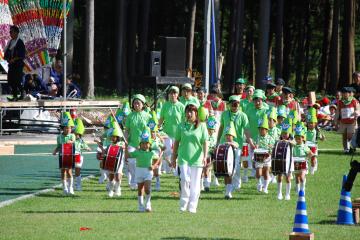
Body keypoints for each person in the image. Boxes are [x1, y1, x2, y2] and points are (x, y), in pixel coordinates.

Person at [171, 99, 208, 213]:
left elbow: (205, 142)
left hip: (197, 159)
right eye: (187, 111)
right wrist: (174, 157)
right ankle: (183, 205)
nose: (189, 113)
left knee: (195, 184)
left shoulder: (201, 126)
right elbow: (176, 142)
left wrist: (205, 156)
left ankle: (192, 207)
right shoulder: (181, 126)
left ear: (196, 113)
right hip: (183, 158)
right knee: (184, 180)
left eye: (191, 111)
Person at [217, 95, 253, 189]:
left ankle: (236, 183)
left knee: (236, 164)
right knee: (226, 164)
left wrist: (251, 142)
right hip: (224, 142)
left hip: (237, 144)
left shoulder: (243, 115)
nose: (235, 106)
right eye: (233, 104)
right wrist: (217, 141)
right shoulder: (224, 114)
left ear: (239, 104)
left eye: (236, 104)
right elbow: (221, 127)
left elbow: (246, 130)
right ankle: (228, 185)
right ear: (229, 105)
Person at [125, 94, 152, 189]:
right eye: (135, 103)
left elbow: (152, 130)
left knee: (141, 163)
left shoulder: (148, 116)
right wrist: (125, 140)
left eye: (138, 103)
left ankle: (143, 180)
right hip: (132, 143)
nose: (136, 105)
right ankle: (133, 180)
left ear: (143, 104)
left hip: (145, 145)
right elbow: (127, 130)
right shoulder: (129, 116)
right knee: (131, 162)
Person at [158, 86, 185, 174]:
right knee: (167, 151)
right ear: (168, 94)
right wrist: (157, 128)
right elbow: (161, 119)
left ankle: (175, 169)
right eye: (171, 93)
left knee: (176, 152)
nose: (173, 95)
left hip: (178, 133)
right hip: (167, 133)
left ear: (178, 95)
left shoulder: (181, 106)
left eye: (175, 93)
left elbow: (184, 120)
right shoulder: (165, 105)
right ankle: (167, 169)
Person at [100, 121, 126, 197]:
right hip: (111, 162)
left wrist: (124, 146)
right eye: (111, 136)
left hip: (119, 162)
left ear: (117, 137)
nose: (112, 138)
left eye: (114, 137)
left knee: (118, 176)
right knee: (111, 176)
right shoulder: (109, 144)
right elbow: (105, 151)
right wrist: (101, 146)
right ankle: (111, 190)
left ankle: (118, 189)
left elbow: (124, 147)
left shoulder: (121, 143)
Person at [52, 112, 76, 195]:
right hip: (62, 156)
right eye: (66, 128)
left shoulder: (72, 135)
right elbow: (59, 146)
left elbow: (73, 141)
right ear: (63, 128)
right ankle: (64, 188)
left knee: (69, 171)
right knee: (63, 171)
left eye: (69, 128)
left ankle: (71, 187)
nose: (68, 129)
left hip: (69, 156)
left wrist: (71, 142)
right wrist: (55, 150)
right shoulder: (59, 137)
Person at [335, 87, 360, 153]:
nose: (344, 94)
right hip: (343, 122)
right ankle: (345, 149)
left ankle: (351, 148)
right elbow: (338, 111)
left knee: (350, 136)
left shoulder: (354, 101)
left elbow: (357, 109)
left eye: (345, 93)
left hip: (352, 122)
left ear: (349, 94)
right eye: (343, 93)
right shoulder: (340, 102)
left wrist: (356, 113)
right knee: (344, 136)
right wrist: (335, 121)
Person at [4, 25, 26, 101]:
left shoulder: (20, 42)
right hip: (12, 65)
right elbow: (7, 53)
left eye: (11, 32)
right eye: (10, 32)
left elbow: (21, 54)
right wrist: (8, 59)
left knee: (17, 80)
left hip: (18, 65)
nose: (10, 33)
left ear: (16, 33)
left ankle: (22, 93)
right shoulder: (10, 42)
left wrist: (14, 59)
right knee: (10, 80)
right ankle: (15, 96)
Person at [253, 114, 274, 194]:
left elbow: (272, 148)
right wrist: (255, 146)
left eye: (263, 129)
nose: (261, 131)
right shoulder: (257, 137)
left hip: (267, 157)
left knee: (266, 172)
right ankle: (259, 183)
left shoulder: (270, 138)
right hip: (258, 158)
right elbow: (254, 144)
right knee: (258, 172)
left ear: (266, 130)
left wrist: (270, 148)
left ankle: (265, 187)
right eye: (260, 129)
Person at [277, 118, 295, 200]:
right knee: (279, 176)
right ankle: (279, 193)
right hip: (280, 160)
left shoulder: (291, 140)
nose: (284, 135)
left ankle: (287, 194)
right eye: (283, 133)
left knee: (288, 178)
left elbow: (294, 143)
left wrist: (287, 141)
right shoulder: (279, 139)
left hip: (289, 161)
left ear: (289, 133)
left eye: (286, 133)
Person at [219, 122, 239, 199]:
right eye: (227, 135)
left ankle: (229, 193)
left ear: (233, 136)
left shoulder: (235, 143)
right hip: (225, 164)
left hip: (233, 164)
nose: (228, 137)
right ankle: (227, 190)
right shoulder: (224, 143)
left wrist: (231, 144)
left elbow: (236, 146)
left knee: (229, 176)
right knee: (225, 177)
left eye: (229, 136)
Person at [293, 123, 313, 195]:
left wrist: (307, 158)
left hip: (303, 163)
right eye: (296, 138)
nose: (298, 140)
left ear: (302, 138)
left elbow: (310, 153)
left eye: (299, 138)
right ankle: (297, 189)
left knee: (301, 177)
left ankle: (302, 190)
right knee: (297, 177)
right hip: (295, 163)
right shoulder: (294, 146)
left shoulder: (304, 146)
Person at [147, 111, 164, 191]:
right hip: (149, 156)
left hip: (156, 156)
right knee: (150, 172)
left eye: (153, 132)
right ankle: (149, 184)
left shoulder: (157, 140)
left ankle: (158, 182)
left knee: (156, 172)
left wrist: (161, 148)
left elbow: (163, 148)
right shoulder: (147, 140)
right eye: (151, 132)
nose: (152, 134)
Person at [73, 118, 91, 191]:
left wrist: (86, 148)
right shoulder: (70, 139)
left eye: (77, 134)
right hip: (70, 156)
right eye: (75, 133)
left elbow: (88, 148)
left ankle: (79, 185)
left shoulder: (81, 141)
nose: (76, 135)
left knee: (77, 170)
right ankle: (72, 184)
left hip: (78, 156)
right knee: (70, 171)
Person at [305, 107, 324, 174]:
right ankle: (306, 169)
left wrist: (323, 137)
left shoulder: (316, 131)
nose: (310, 124)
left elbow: (321, 139)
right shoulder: (305, 129)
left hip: (313, 146)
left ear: (315, 124)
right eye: (309, 123)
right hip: (306, 146)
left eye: (312, 123)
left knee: (312, 159)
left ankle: (312, 170)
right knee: (305, 158)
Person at [202, 116, 218, 192]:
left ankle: (207, 184)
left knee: (208, 168)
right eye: (209, 130)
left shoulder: (215, 136)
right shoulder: (205, 135)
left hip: (213, 154)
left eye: (212, 130)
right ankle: (203, 184)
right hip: (205, 153)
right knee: (204, 169)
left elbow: (216, 145)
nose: (210, 131)